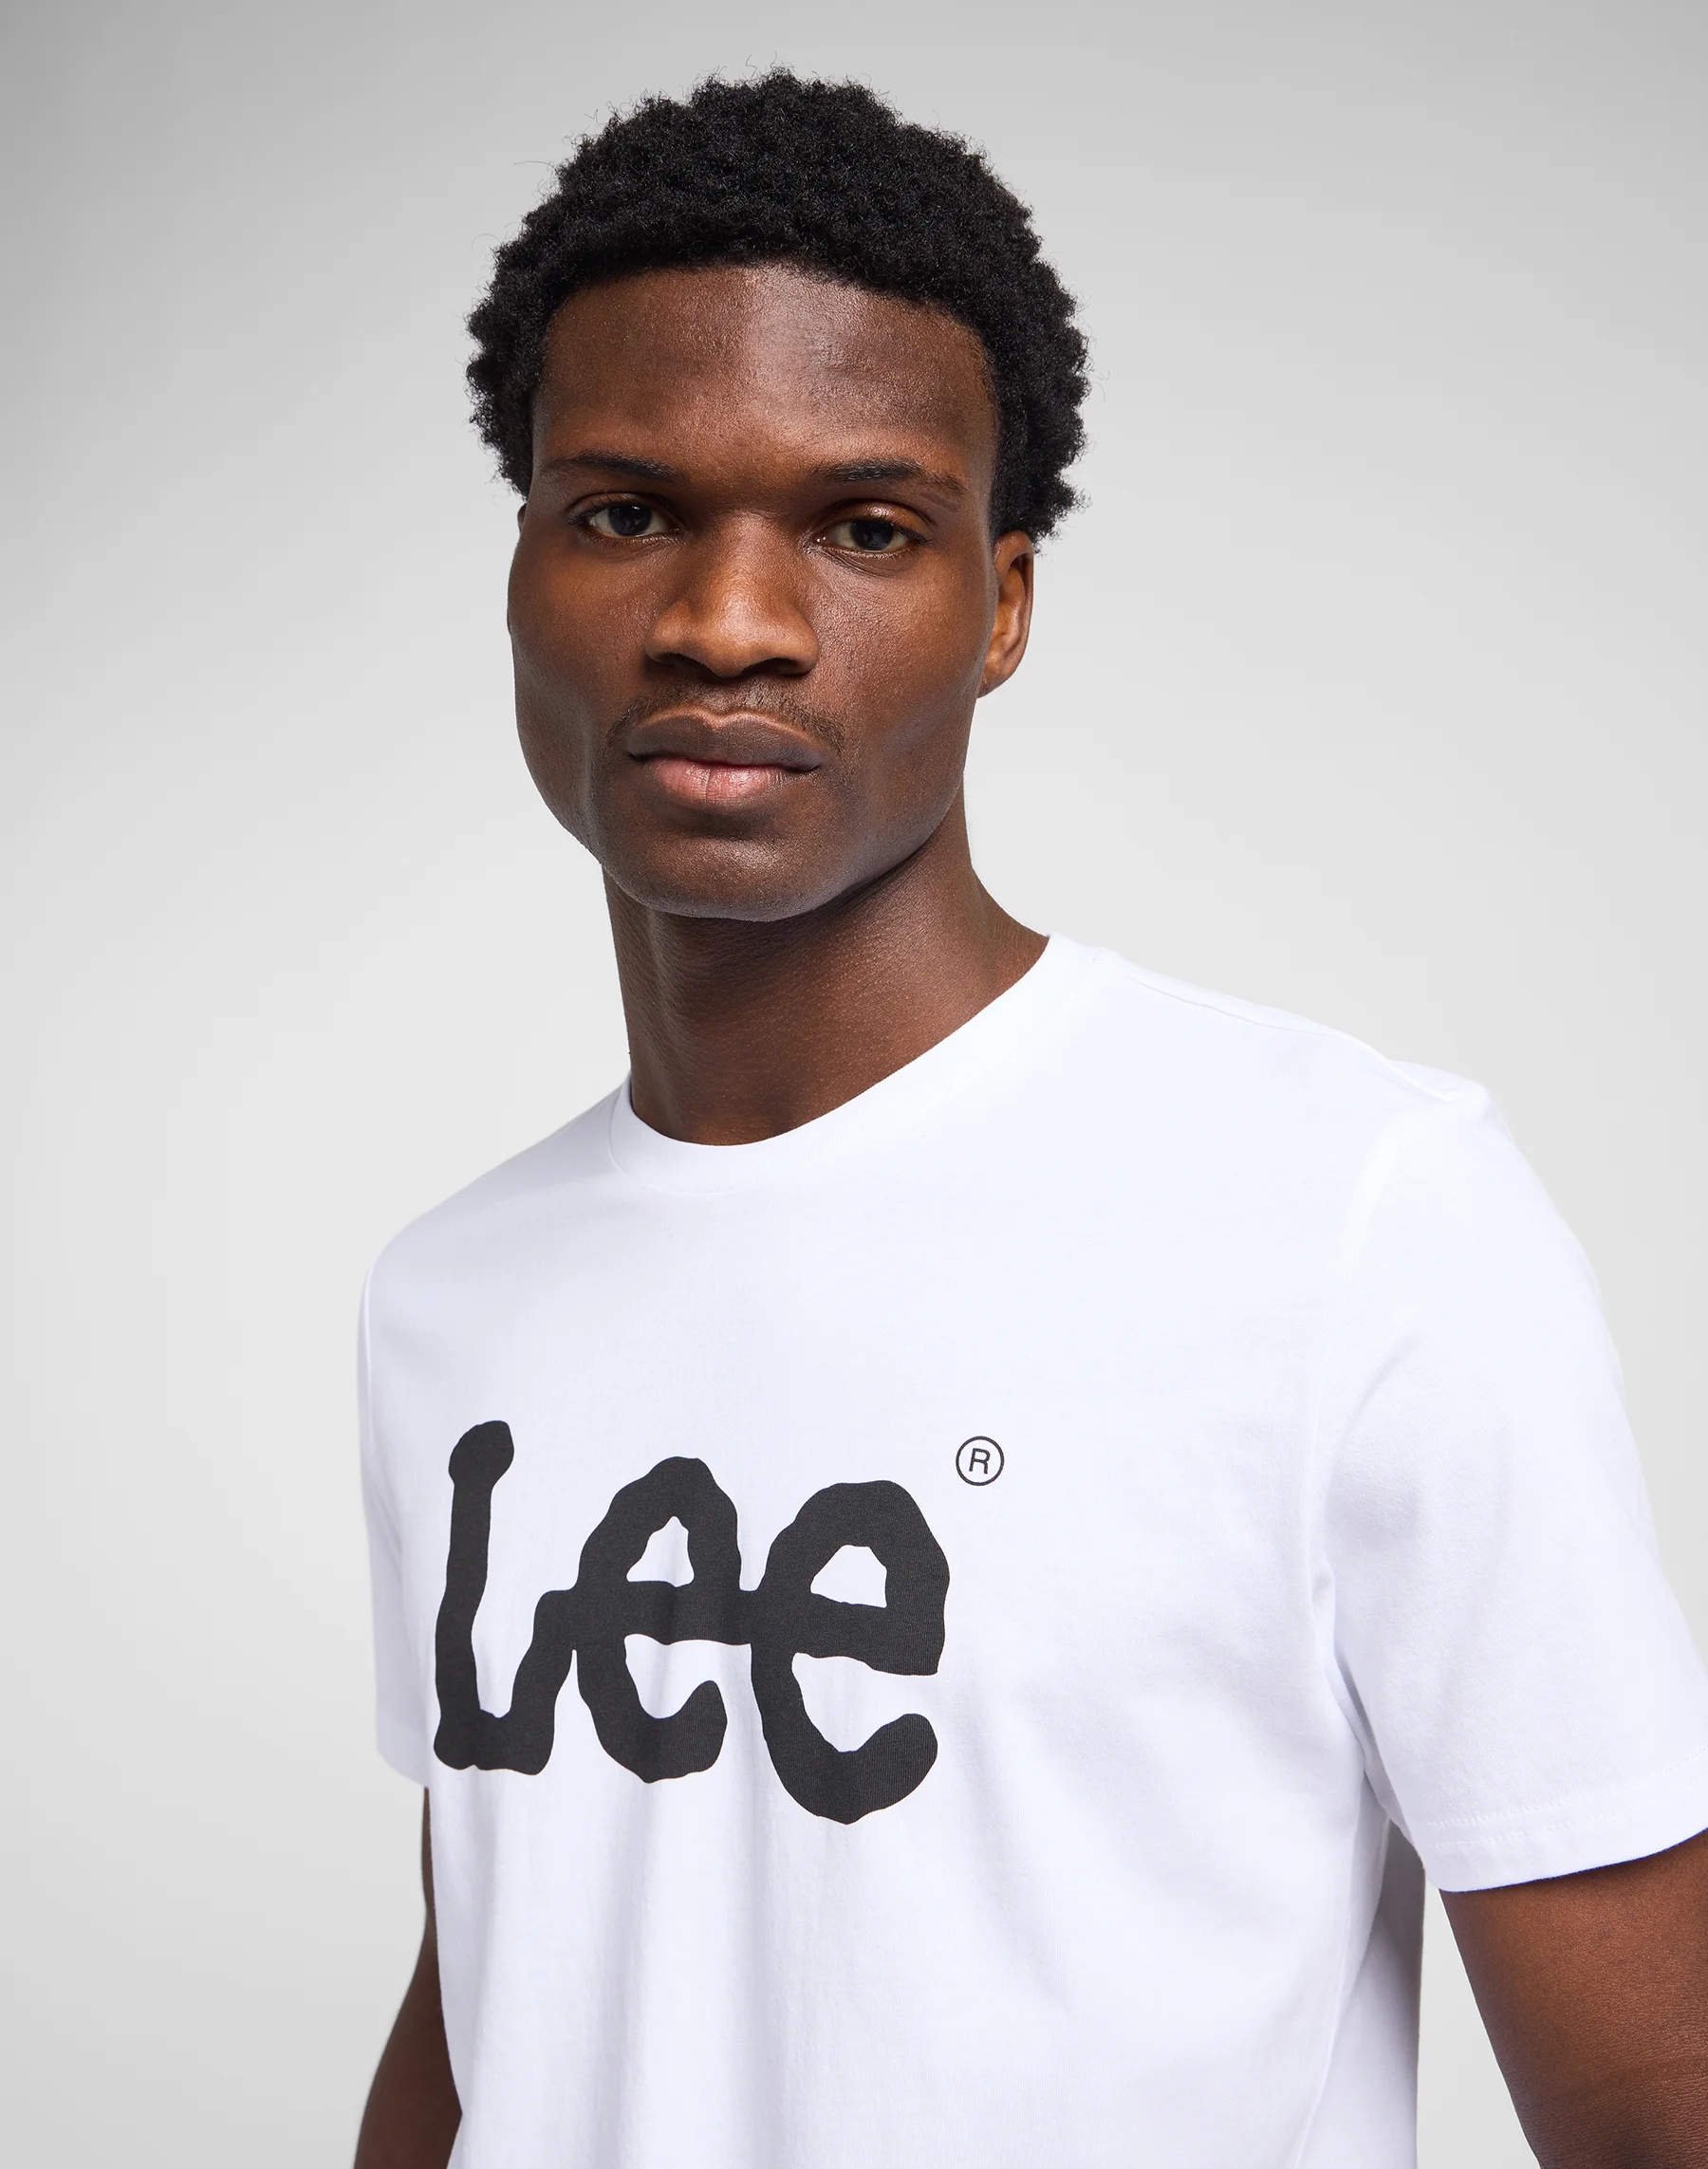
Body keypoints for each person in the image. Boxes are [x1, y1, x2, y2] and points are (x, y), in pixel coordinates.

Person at [352, 71, 1708, 2169]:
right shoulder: (451, 1298)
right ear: (521, 566)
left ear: (1000, 604)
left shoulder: (1353, 1218)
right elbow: (512, 1985)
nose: (728, 622)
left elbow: (1653, 2106)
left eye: (862, 527)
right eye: (625, 512)